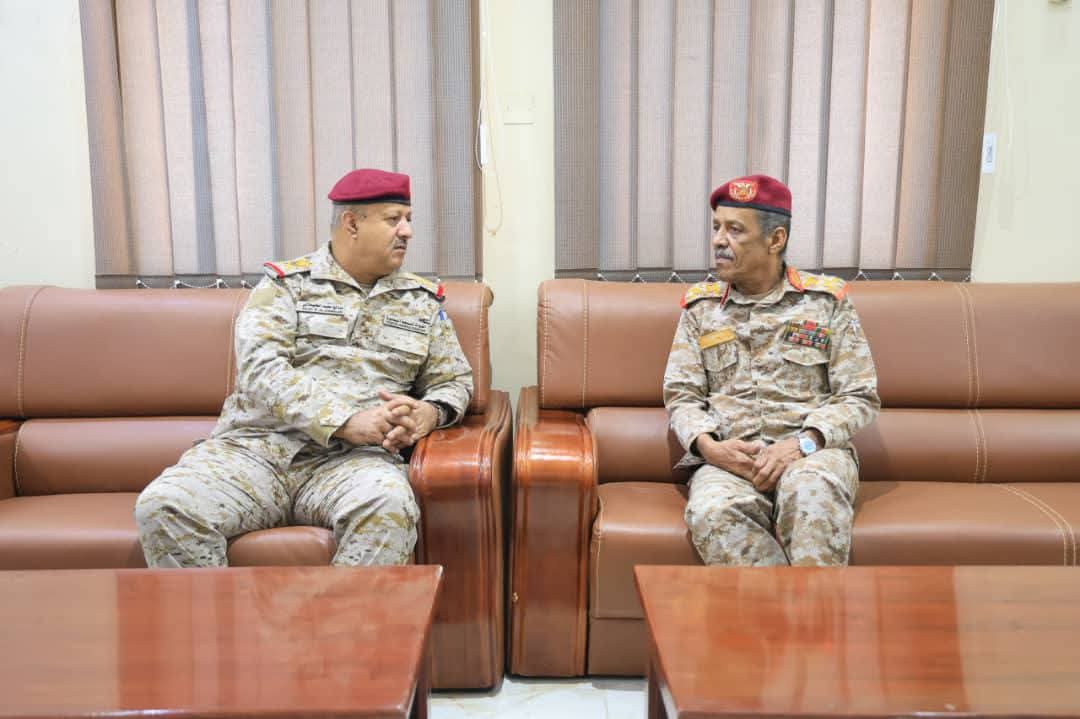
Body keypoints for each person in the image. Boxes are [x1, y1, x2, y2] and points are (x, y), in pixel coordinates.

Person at [135, 168, 472, 567]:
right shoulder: (286, 286)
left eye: (409, 219)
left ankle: (349, 614)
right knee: (165, 505)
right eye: (393, 219)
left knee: (388, 506)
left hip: (353, 462)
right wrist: (344, 420)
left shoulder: (421, 302)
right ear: (352, 223)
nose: (407, 231)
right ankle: (216, 612)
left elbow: (454, 380)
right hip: (255, 452)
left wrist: (429, 413)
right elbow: (261, 368)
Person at [663, 174, 880, 566]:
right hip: (732, 460)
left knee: (810, 491)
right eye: (716, 227)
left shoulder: (825, 302)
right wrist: (711, 448)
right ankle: (785, 607)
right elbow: (682, 396)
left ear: (775, 239)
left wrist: (803, 444)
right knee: (711, 511)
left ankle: (808, 607)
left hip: (812, 455)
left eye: (734, 230)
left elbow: (858, 395)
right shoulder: (701, 309)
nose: (718, 241)